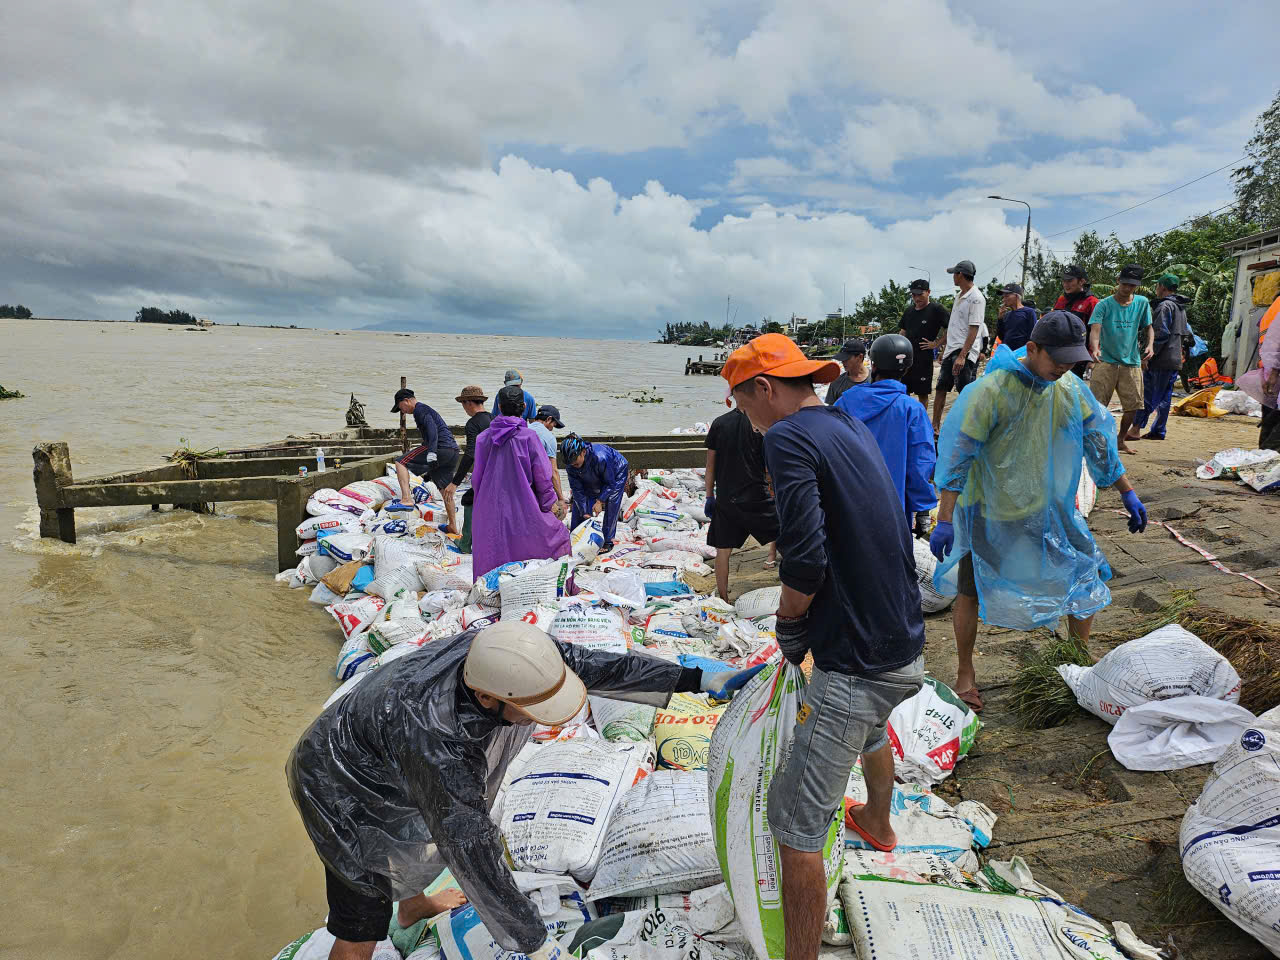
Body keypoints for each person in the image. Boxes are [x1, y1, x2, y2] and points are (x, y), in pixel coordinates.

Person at [288, 620, 761, 960]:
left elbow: (592, 666)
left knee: (416, 831)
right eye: (530, 709)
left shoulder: (511, 656)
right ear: (488, 698)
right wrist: (534, 942)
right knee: (364, 898)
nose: (541, 716)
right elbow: (471, 848)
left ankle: (411, 906)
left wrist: (694, 679)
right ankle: (378, 924)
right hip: (340, 781)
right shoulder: (438, 740)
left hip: (387, 744)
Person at [721, 333, 926, 960]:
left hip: (857, 661)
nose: (744, 420)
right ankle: (880, 824)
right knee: (868, 729)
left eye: (740, 403)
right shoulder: (844, 421)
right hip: (901, 642)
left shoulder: (786, 436)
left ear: (763, 388)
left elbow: (803, 557)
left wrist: (789, 623)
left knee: (795, 827)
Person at [930, 311, 1148, 713]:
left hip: (1047, 507)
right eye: (1058, 359)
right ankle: (965, 673)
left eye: (1072, 360)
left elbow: (1098, 442)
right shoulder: (990, 391)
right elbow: (958, 456)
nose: (1065, 367)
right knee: (971, 587)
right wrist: (945, 519)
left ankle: (1079, 662)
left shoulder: (1069, 388)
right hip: (989, 510)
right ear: (1032, 349)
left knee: (1085, 572)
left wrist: (1127, 492)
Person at [834, 334, 937, 536]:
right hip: (893, 513)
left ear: (873, 366)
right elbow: (920, 463)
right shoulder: (912, 409)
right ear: (907, 369)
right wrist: (923, 509)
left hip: (847, 508)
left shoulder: (845, 403)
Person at [469, 385, 570, 578]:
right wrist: (550, 505)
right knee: (560, 537)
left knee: (493, 550)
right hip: (523, 505)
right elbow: (543, 477)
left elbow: (477, 479)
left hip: (488, 507)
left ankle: (490, 591)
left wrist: (482, 506)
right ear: (524, 407)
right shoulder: (528, 437)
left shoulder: (483, 438)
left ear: (498, 406)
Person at [704, 400, 779, 600]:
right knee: (785, 536)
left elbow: (710, 465)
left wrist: (709, 495)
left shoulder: (719, 423)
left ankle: (723, 598)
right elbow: (770, 465)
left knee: (723, 551)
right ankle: (792, 591)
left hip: (728, 498)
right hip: (758, 497)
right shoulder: (762, 423)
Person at [1088, 264, 1154, 454]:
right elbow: (1096, 328)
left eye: (1132, 285)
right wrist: (1095, 348)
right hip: (1105, 361)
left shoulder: (1142, 303)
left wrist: (1150, 345)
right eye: (1124, 284)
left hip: (1131, 362)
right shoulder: (1104, 304)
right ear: (1118, 281)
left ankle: (1120, 439)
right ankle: (1097, 441)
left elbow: (1148, 327)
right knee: (1097, 405)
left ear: (1137, 286)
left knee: (1133, 406)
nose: (1127, 288)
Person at [1130, 273, 1191, 442]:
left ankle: (1135, 429)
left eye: (1157, 286)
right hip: (1174, 359)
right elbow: (1187, 334)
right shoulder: (1180, 307)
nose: (1156, 289)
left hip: (1161, 359)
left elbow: (1160, 334)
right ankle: (1158, 430)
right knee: (1164, 396)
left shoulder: (1165, 306)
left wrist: (1147, 356)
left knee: (1148, 394)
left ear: (1162, 287)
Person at [391, 388, 460, 534]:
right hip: (452, 451)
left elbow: (432, 429)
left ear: (406, 401)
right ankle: (453, 525)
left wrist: (432, 453)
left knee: (400, 462)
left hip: (440, 448)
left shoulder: (420, 410)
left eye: (400, 407)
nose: (402, 411)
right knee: (445, 490)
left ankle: (406, 499)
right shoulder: (425, 409)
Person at [932, 259, 986, 435]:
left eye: (954, 274)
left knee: (964, 392)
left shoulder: (976, 298)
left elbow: (974, 328)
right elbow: (954, 327)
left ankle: (967, 431)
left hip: (963, 351)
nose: (953, 277)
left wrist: (963, 355)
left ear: (960, 274)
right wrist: (941, 347)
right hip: (952, 350)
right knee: (941, 388)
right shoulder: (959, 296)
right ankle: (935, 427)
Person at [441, 386, 491, 551]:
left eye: (463, 403)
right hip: (499, 470)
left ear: (470, 403)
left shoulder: (473, 424)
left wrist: (455, 482)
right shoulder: (494, 418)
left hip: (484, 472)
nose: (464, 408)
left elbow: (470, 453)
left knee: (468, 499)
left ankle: (465, 544)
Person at [562, 434, 629, 551]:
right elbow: (577, 490)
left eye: (576, 463)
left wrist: (599, 501)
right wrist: (584, 511)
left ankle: (607, 541)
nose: (574, 466)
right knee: (580, 501)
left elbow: (610, 483)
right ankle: (575, 536)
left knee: (612, 500)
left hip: (616, 471)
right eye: (571, 464)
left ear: (583, 452)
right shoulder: (571, 465)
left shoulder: (600, 457)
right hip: (591, 471)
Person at [898, 279, 948, 406]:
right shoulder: (909, 311)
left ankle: (921, 421)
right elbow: (902, 332)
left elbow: (951, 329)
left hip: (924, 358)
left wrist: (937, 344)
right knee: (903, 391)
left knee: (922, 393)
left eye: (920, 294)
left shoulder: (937, 309)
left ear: (928, 292)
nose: (917, 298)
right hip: (906, 358)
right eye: (914, 295)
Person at [1053, 264, 1101, 379]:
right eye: (1064, 281)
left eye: (1070, 281)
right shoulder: (1061, 300)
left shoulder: (1092, 302)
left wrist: (1091, 357)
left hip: (1077, 359)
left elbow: (1096, 331)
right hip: (1057, 355)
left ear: (1081, 281)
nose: (1066, 284)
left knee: (1072, 392)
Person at [529, 405, 570, 517]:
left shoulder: (525, 429)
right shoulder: (549, 437)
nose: (552, 429)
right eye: (553, 425)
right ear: (548, 419)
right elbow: (553, 471)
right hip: (537, 485)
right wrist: (561, 498)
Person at [823, 339, 868, 404]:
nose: (843, 361)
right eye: (842, 358)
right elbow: (831, 411)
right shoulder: (836, 383)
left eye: (847, 358)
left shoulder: (875, 380)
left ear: (860, 357)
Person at [995, 282, 1037, 352]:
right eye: (1003, 296)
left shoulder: (1029, 312)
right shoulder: (1006, 315)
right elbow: (1001, 336)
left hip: (1022, 354)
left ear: (1016, 296)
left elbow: (1033, 335)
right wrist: (1000, 319)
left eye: (1007, 296)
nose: (1003, 299)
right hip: (1007, 354)